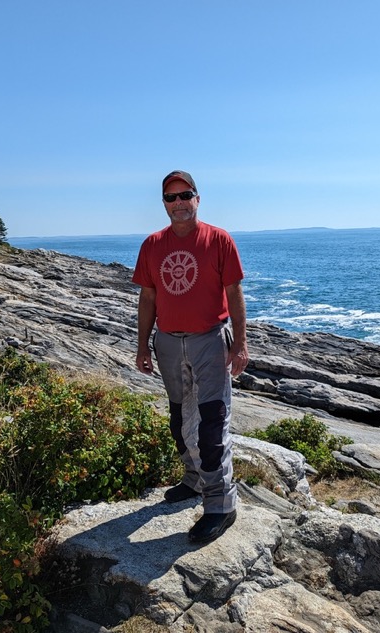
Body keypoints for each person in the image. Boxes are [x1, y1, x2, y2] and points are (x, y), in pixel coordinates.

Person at [132, 170, 249, 543]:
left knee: (212, 422)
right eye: (171, 197)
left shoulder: (218, 240)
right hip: (167, 341)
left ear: (198, 198)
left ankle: (221, 505)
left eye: (185, 195)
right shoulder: (152, 245)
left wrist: (240, 343)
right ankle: (194, 479)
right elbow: (148, 298)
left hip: (209, 340)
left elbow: (234, 294)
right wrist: (141, 345)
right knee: (179, 418)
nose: (179, 203)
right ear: (164, 204)